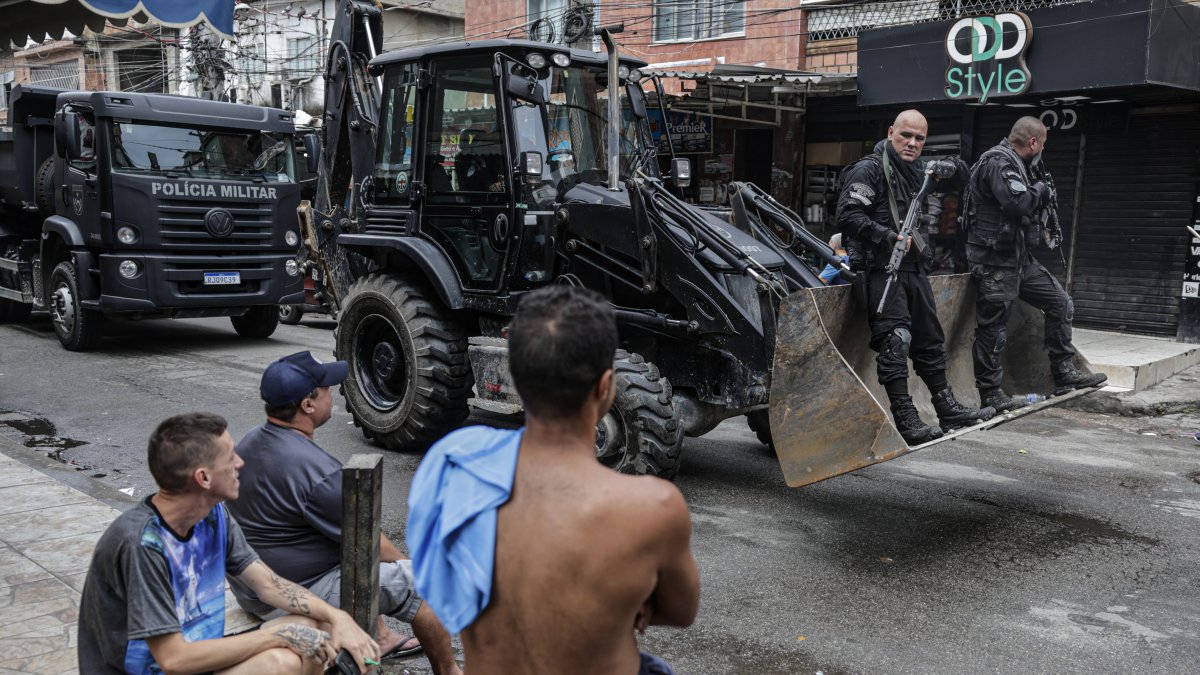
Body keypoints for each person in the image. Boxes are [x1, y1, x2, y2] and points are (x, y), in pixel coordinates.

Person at [407, 286, 700, 675]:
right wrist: (620, 598)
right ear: (605, 387)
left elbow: (440, 586)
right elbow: (681, 610)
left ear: (516, 378)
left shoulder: (453, 464)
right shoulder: (655, 507)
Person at [78, 412, 378, 675]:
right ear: (203, 478)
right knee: (280, 662)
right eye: (230, 457)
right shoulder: (143, 544)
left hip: (199, 658)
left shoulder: (213, 514)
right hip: (161, 667)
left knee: (316, 627)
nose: (240, 462)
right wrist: (281, 636)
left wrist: (337, 617)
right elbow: (173, 660)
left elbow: (269, 585)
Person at [227, 352, 463, 674]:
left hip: (252, 587)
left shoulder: (251, 440)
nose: (332, 392)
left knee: (349, 549)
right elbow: (370, 542)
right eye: (325, 388)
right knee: (420, 585)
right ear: (307, 406)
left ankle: (380, 635)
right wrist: (409, 567)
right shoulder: (316, 473)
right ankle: (450, 671)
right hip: (288, 594)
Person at [837, 109, 995, 445]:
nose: (911, 143)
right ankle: (906, 417)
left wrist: (946, 167)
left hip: (913, 268)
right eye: (905, 135)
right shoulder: (870, 169)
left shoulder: (916, 170)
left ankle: (946, 408)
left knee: (929, 339)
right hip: (880, 269)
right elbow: (847, 214)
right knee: (896, 341)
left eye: (919, 138)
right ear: (891, 131)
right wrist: (886, 236)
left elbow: (965, 173)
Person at [964, 116, 1107, 411]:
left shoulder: (1021, 166)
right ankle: (990, 393)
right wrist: (1040, 191)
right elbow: (1017, 203)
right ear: (1033, 142)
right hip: (994, 263)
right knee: (993, 330)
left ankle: (1064, 373)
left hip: (1018, 260)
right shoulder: (998, 163)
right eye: (1042, 144)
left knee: (1060, 302)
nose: (1043, 150)